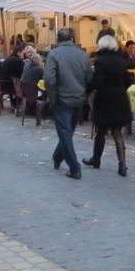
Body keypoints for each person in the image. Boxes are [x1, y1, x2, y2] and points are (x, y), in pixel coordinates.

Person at [44, 27, 92, 179]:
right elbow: (89, 77)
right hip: (78, 98)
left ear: (57, 39)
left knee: (65, 133)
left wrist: (52, 97)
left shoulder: (53, 54)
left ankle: (74, 168)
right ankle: (58, 157)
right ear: (72, 38)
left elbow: (49, 79)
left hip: (62, 98)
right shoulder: (83, 55)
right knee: (68, 132)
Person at [82, 35, 132, 176]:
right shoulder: (122, 60)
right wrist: (120, 89)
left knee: (101, 131)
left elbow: (97, 82)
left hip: (105, 100)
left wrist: (87, 89)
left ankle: (96, 158)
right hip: (120, 99)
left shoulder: (100, 62)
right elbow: (128, 80)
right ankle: (122, 164)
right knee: (117, 132)